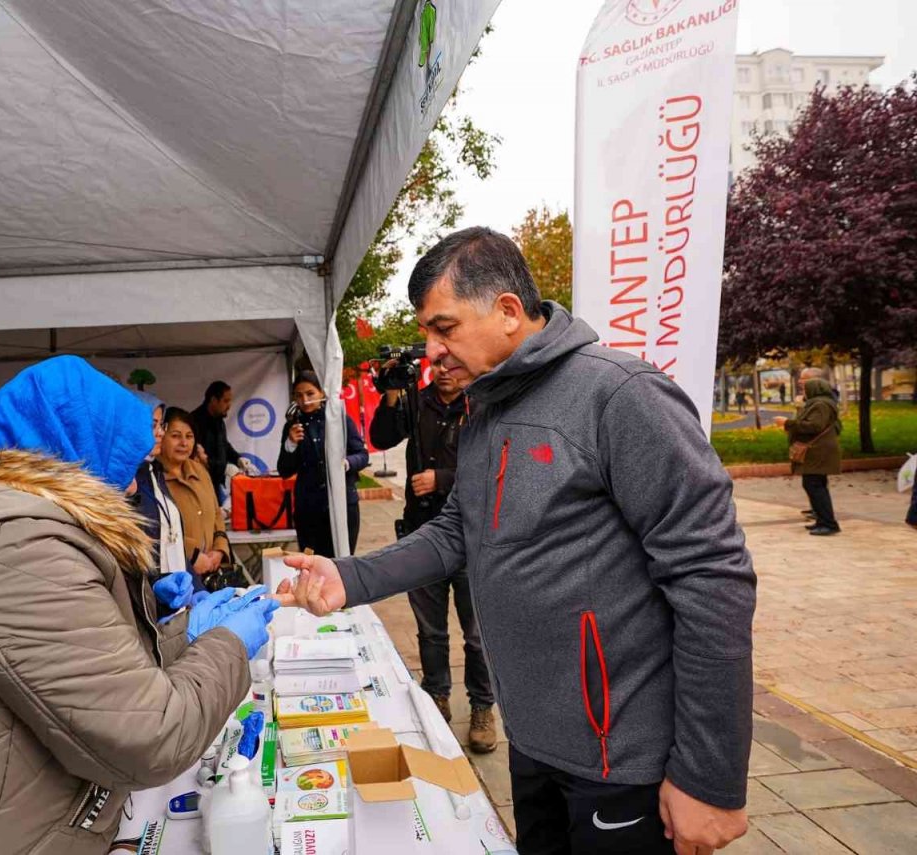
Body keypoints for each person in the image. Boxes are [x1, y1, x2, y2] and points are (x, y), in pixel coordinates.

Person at [277, 227, 755, 855]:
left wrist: (709, 778)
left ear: (506, 310)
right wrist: (351, 578)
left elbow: (712, 579)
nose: (432, 350)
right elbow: (458, 529)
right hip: (531, 741)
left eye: (444, 328)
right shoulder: (488, 407)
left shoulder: (620, 395)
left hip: (619, 759)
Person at [0, 355, 278, 855]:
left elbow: (86, 671)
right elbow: (152, 737)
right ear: (75, 453)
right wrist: (228, 644)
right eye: (123, 464)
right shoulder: (16, 551)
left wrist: (183, 632)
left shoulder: (1, 528)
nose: (130, 488)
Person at [370, 360, 496, 753]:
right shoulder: (415, 401)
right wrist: (390, 392)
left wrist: (442, 479)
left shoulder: (483, 403)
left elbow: (496, 465)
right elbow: (381, 438)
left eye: (450, 363)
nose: (444, 370)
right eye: (436, 364)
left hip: (471, 536)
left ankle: (482, 707)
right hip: (422, 532)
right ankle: (437, 697)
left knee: (477, 635)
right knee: (431, 630)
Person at [277, 371, 370, 556]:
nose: (304, 400)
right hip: (309, 509)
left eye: (310, 393)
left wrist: (346, 463)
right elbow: (284, 470)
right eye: (299, 395)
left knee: (342, 562)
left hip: (342, 504)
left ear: (322, 393)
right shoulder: (292, 425)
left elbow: (362, 454)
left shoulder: (339, 419)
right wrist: (290, 445)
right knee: (312, 564)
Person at [160, 407, 233, 589]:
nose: (184, 443)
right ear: (161, 436)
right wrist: (192, 555)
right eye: (176, 436)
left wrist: (219, 550)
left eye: (189, 436)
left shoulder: (199, 470)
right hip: (177, 577)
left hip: (212, 573)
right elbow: (155, 529)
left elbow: (216, 515)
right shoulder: (153, 478)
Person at [776, 368, 842, 536]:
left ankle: (828, 523)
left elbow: (813, 426)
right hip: (817, 451)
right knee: (815, 484)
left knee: (814, 485)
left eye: (806, 387)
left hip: (817, 451)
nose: (803, 389)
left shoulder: (820, 404)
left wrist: (787, 423)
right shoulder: (818, 402)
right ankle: (822, 520)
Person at [130, 392, 188, 582]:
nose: (160, 432)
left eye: (161, 425)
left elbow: (174, 540)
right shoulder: (126, 480)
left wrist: (196, 588)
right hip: (148, 599)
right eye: (152, 425)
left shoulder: (153, 471)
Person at [191, 381, 243, 495]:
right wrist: (221, 467)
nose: (229, 405)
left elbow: (224, 444)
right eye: (226, 401)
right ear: (214, 400)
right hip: (199, 484)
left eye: (230, 401)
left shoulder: (219, 420)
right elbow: (195, 456)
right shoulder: (195, 422)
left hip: (215, 483)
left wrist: (238, 459)